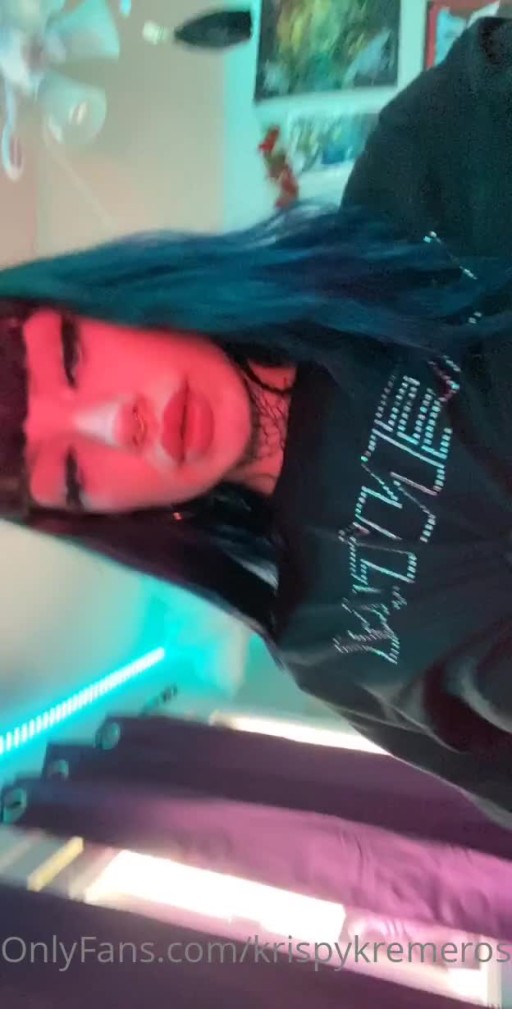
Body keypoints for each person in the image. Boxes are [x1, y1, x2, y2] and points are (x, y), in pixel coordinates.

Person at [2, 15, 512, 824]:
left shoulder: (421, 167)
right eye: (69, 470)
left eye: (71, 359)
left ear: (109, 297)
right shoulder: (321, 643)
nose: (117, 424)